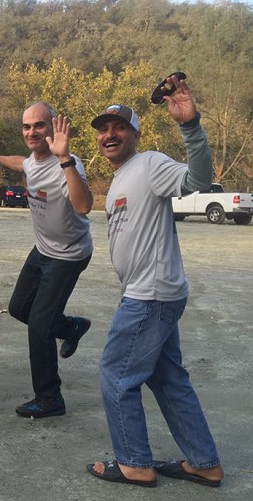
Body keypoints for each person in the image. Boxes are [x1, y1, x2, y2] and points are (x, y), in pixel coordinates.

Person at [86, 75, 224, 488]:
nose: (110, 134)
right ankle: (204, 462)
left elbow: (198, 180)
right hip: (145, 293)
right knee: (168, 379)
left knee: (116, 375)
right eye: (103, 129)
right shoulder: (118, 180)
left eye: (119, 127)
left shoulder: (149, 164)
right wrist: (126, 293)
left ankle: (134, 463)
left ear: (136, 134)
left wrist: (190, 126)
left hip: (151, 295)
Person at [0, 103, 93, 419]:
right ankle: (70, 327)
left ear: (52, 128)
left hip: (68, 255)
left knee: (39, 327)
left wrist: (65, 159)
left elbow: (84, 206)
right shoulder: (32, 162)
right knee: (19, 308)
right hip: (42, 250)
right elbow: (22, 163)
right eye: (26, 126)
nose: (31, 132)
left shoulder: (68, 164)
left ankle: (49, 398)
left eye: (39, 125)